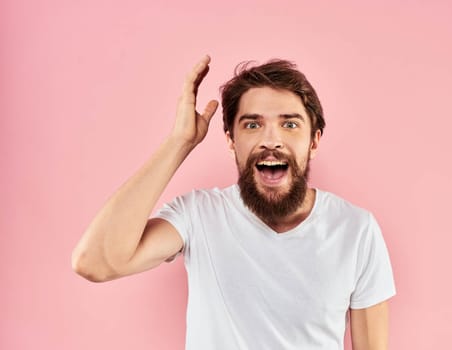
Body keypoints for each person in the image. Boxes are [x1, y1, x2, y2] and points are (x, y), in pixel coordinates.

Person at [72, 55, 396, 350]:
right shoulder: (197, 216)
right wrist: (179, 143)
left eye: (290, 124)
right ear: (231, 140)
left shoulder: (356, 229)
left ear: (314, 141)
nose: (271, 140)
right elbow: (95, 262)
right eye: (253, 125)